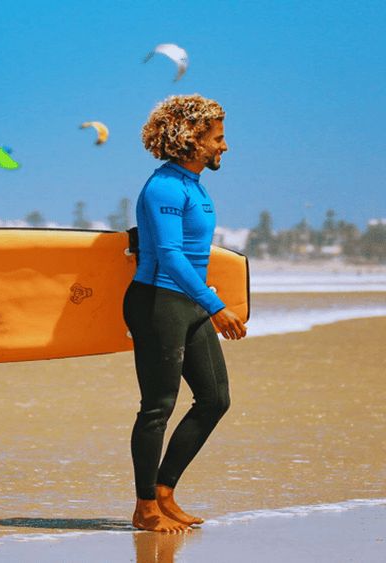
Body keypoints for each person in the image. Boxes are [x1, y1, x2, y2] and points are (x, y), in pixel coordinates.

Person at [123, 94, 247, 533]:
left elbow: (192, 256)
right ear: (190, 138)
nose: (224, 147)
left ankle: (164, 492)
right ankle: (144, 507)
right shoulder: (164, 187)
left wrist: (206, 296)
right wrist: (217, 307)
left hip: (188, 300)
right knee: (157, 407)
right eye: (218, 138)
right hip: (158, 301)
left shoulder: (194, 184)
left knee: (215, 399)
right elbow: (171, 256)